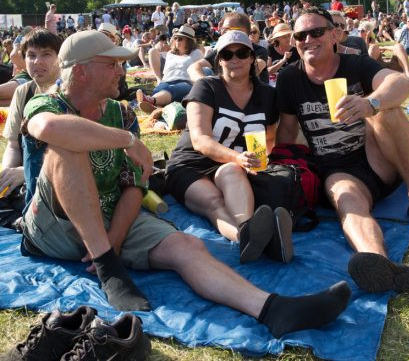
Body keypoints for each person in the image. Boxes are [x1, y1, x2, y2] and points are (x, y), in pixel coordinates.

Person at [19, 29, 351, 336]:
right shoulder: (47, 102)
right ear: (80, 72)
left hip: (109, 220)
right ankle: (108, 267)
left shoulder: (122, 114)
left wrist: (116, 240)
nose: (122, 71)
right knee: (68, 143)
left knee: (188, 246)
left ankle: (272, 308)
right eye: (113, 65)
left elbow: (135, 185)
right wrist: (125, 141)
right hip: (53, 228)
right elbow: (49, 129)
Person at [276, 7, 409, 294]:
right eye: (300, 35)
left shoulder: (355, 64)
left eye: (317, 32)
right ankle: (381, 264)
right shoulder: (290, 78)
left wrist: (370, 103)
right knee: (347, 201)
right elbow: (287, 133)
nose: (308, 39)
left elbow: (402, 82)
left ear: (335, 34)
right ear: (294, 41)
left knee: (388, 111)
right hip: (336, 169)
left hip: (377, 157)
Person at [166, 30, 293, 263]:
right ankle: (248, 237)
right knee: (214, 202)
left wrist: (258, 158)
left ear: (252, 58)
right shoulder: (207, 87)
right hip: (190, 164)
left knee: (233, 172)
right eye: (227, 54)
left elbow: (271, 136)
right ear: (219, 60)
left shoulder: (267, 95)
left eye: (242, 53)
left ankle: (252, 234)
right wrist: (239, 157)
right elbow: (200, 140)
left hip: (233, 165)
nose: (235, 59)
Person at [1, 28, 62, 203]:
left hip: (61, 180)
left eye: (46, 54)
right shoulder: (23, 92)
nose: (37, 62)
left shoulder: (68, 93)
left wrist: (25, 171)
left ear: (60, 58)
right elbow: (13, 145)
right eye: (31, 55)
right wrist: (8, 174)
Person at [188, 12, 269, 84]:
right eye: (222, 29)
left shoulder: (259, 51)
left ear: (242, 31)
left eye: (226, 29)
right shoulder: (222, 51)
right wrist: (203, 83)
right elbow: (193, 67)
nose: (221, 32)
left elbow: (255, 70)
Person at [137, 26, 203, 112]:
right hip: (167, 81)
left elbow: (204, 67)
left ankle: (151, 101)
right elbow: (163, 67)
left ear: (189, 41)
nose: (177, 40)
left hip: (185, 82)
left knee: (172, 90)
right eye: (176, 38)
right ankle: (156, 106)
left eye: (181, 39)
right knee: (159, 90)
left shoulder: (196, 53)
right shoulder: (170, 54)